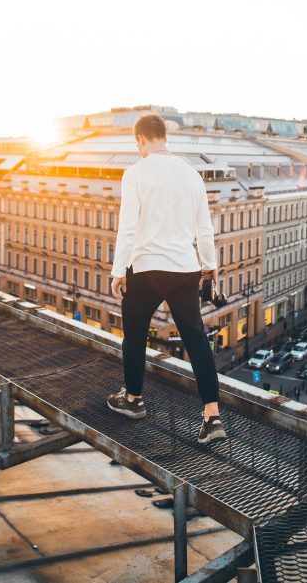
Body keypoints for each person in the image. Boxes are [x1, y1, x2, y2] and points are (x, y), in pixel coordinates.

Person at [107, 113, 226, 444]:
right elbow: (204, 226)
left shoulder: (135, 173)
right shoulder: (191, 175)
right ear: (164, 137)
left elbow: (128, 227)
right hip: (184, 267)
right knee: (196, 339)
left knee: (135, 335)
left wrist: (119, 271)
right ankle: (212, 417)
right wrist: (209, 264)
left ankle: (132, 400)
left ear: (141, 139)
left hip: (145, 266)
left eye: (137, 144)